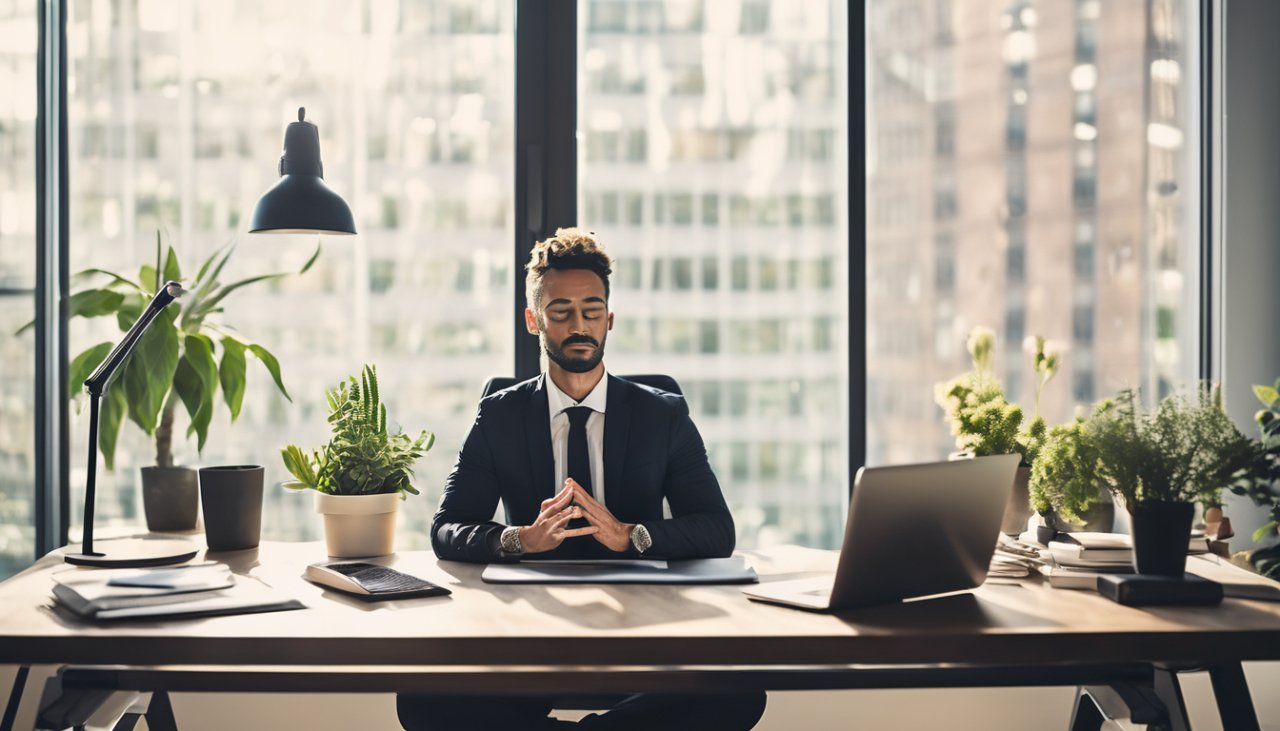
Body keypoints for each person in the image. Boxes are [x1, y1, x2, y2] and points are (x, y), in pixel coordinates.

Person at [398, 228, 766, 730]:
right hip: (529, 631)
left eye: (592, 311)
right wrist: (517, 538)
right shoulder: (499, 416)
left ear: (609, 319)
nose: (579, 325)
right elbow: (447, 528)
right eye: (561, 311)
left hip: (641, 631)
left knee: (739, 692)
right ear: (534, 320)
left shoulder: (664, 415)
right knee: (420, 697)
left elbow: (717, 530)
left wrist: (631, 535)